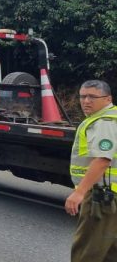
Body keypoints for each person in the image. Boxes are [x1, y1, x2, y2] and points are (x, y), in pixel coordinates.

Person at [66, 80, 117, 261]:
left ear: (108, 98)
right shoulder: (110, 117)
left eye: (93, 97)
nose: (86, 101)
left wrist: (80, 192)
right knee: (109, 253)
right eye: (83, 96)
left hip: (102, 198)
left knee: (87, 252)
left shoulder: (104, 122)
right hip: (110, 197)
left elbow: (102, 159)